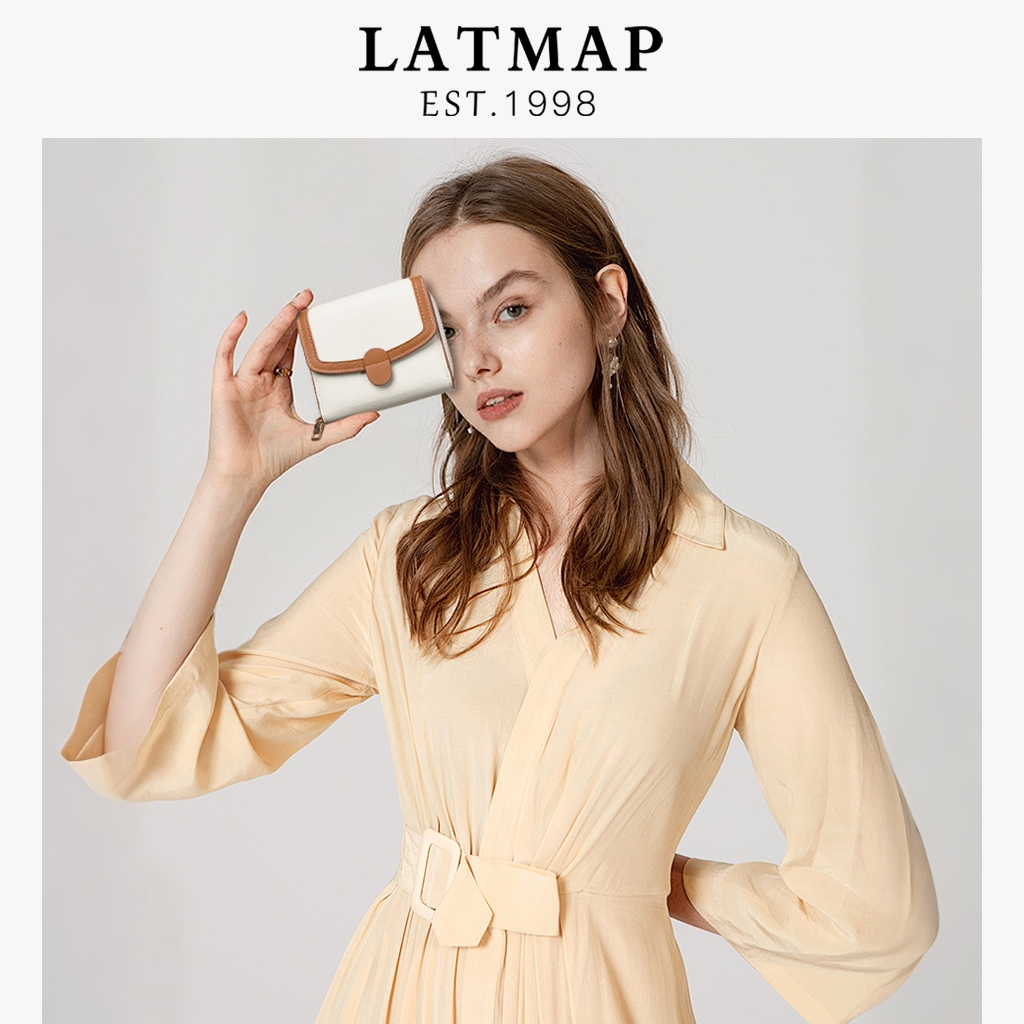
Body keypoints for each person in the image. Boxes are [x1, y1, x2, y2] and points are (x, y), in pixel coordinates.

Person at [63, 155, 938, 1024]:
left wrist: (658, 883)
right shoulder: (407, 558)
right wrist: (231, 483)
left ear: (607, 303)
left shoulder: (743, 579)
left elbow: (875, 910)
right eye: (444, 333)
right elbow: (141, 744)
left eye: (511, 310)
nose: (477, 360)